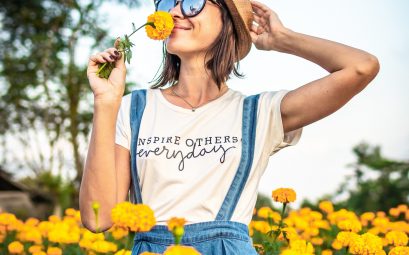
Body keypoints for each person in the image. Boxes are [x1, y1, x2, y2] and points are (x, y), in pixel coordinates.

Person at [79, 0, 380, 253]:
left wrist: (282, 39)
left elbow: (361, 67)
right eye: (168, 2)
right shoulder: (134, 107)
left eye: (193, 3)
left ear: (228, 21)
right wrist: (106, 101)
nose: (174, 12)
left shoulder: (259, 113)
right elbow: (98, 219)